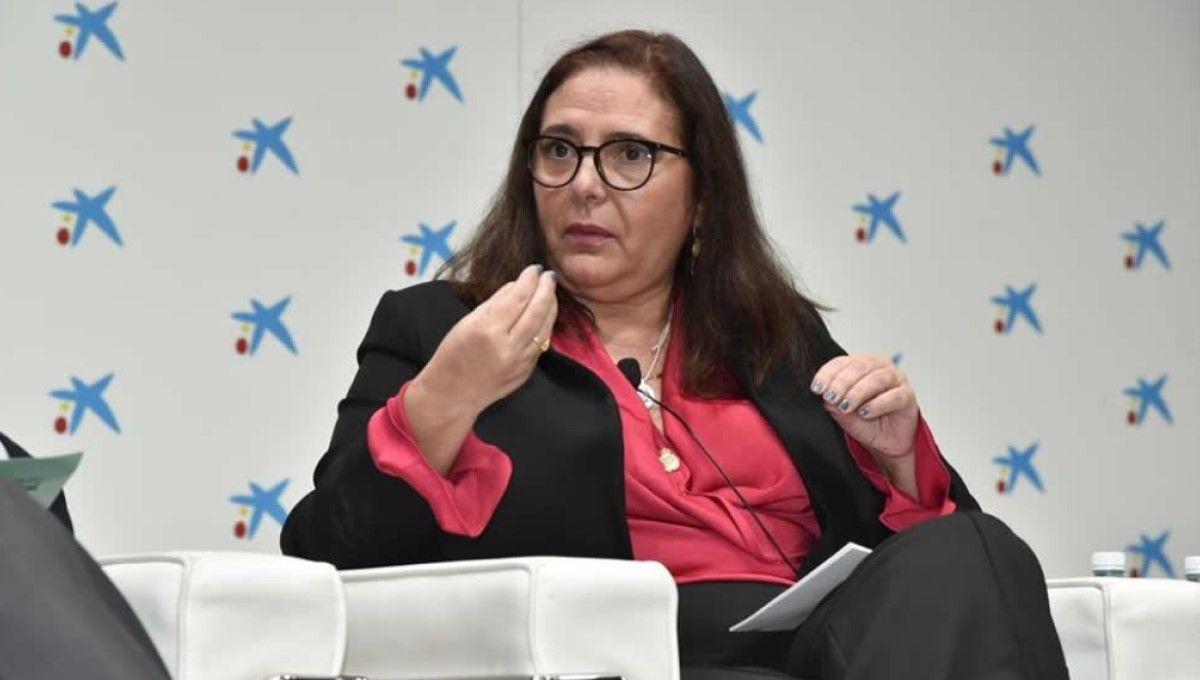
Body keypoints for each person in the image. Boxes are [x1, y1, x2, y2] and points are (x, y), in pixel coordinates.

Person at [282, 30, 1068, 679]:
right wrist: (445, 399)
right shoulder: (444, 328)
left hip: (821, 648)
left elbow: (954, 608)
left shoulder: (774, 336)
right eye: (560, 150)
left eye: (630, 155)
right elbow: (327, 557)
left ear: (702, 200)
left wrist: (899, 465)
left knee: (980, 549)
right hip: (633, 659)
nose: (585, 185)